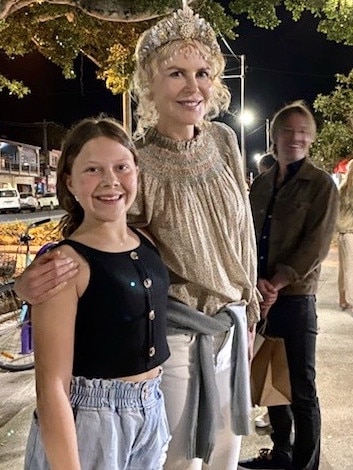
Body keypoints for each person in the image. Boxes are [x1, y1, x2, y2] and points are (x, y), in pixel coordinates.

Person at [16, 5, 260, 470]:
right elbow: (100, 238)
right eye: (175, 73)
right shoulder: (135, 162)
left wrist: (249, 310)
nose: (193, 87)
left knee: (227, 455)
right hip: (173, 340)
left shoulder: (226, 141)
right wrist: (36, 284)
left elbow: (243, 229)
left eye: (202, 72)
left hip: (231, 328)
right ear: (150, 83)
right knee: (178, 461)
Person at [24, 117, 171, 470]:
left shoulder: (148, 240)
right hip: (90, 421)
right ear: (70, 182)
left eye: (121, 167)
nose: (110, 181)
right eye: (92, 169)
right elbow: (52, 386)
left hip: (151, 409)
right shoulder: (64, 264)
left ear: (137, 171)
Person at [239, 101, 339, 470]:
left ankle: (305, 464)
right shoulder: (262, 184)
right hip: (261, 296)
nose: (295, 137)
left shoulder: (321, 185)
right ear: (274, 136)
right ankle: (280, 452)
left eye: (302, 131)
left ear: (310, 139)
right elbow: (246, 236)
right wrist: (255, 283)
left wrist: (277, 282)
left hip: (295, 299)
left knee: (301, 387)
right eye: (287, 130)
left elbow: (316, 245)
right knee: (270, 378)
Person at [337, 158, 353, 311]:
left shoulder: (342, 189)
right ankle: (349, 299)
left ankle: (343, 298)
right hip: (350, 232)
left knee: (345, 268)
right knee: (349, 269)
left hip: (343, 233)